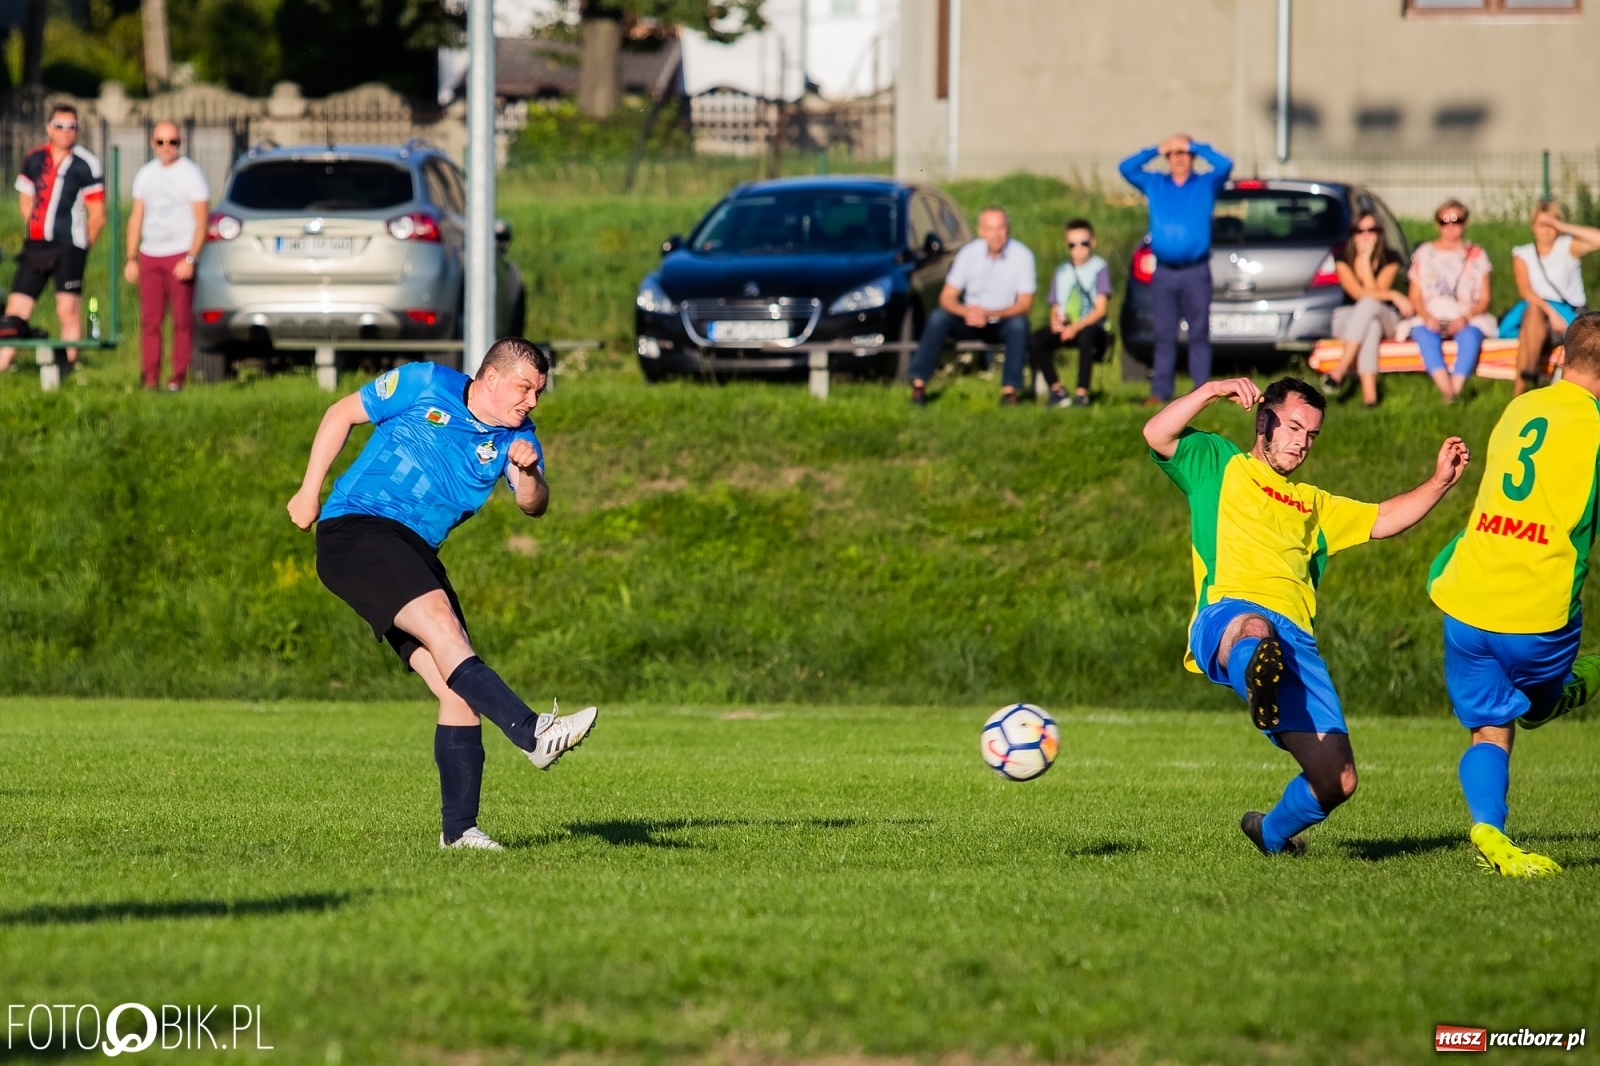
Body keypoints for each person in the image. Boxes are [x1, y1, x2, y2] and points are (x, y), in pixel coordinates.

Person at [287, 339, 599, 851]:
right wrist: (308, 491)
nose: (532, 401)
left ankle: (459, 831)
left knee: (459, 689)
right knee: (442, 623)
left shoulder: (517, 437)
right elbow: (340, 413)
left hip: (413, 550)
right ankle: (533, 733)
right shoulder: (425, 382)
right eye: (524, 388)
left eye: (539, 392)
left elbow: (533, 505)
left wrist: (527, 473)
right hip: (358, 528)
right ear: (491, 378)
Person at [1144, 376, 1469, 856]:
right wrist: (1211, 391)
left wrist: (1440, 481)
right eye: (1294, 428)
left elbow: (1383, 519)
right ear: (1263, 421)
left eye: (1312, 435)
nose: (1302, 442)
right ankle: (1257, 678)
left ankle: (1271, 834)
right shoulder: (1218, 463)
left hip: (1296, 643)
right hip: (1229, 613)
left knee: (1337, 779)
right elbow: (1157, 433)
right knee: (1256, 630)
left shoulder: (1313, 503)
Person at [1427, 311, 1600, 877]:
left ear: (1560, 357)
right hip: (1537, 610)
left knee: (1489, 727)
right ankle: (1553, 696)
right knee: (1539, 704)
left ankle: (1488, 827)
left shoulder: (1519, 407)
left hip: (1468, 596)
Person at [1119, 133, 1233, 405]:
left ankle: (1202, 392)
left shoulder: (1205, 184)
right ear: (1168, 157)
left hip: (1196, 271)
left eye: (1184, 153)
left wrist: (1194, 145)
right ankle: (1160, 392)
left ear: (1192, 157)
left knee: (1199, 333)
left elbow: (1225, 164)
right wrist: (1157, 148)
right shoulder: (1155, 183)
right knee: (1164, 335)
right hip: (1164, 272)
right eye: (1174, 153)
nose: (1179, 158)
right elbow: (1126, 168)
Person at [0, 104, 105, 373]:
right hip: (37, 245)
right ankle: (3, 365)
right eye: (60, 126)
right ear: (49, 128)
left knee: (66, 308)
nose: (66, 132)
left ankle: (69, 367)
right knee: (16, 308)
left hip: (69, 246)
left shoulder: (85, 164)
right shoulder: (35, 158)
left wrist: (83, 246)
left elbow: (97, 214)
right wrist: (35, 227)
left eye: (72, 127)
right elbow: (26, 199)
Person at [907, 206, 1035, 407]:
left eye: (1000, 228)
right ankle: (919, 384)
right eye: (990, 229)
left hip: (1002, 321)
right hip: (970, 320)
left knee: (1019, 325)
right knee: (938, 317)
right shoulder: (968, 253)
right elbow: (947, 297)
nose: (996, 235)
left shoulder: (1022, 256)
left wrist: (993, 313)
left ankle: (1010, 391)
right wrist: (967, 312)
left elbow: (1025, 304)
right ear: (981, 231)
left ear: (1008, 229)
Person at [124, 121, 209, 391]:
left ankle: (177, 378)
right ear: (153, 143)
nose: (166, 147)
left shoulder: (191, 174)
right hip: (150, 254)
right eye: (161, 141)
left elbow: (202, 220)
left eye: (172, 141)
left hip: (179, 254)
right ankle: (150, 378)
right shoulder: (145, 174)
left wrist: (191, 258)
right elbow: (136, 216)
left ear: (180, 143)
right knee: (150, 321)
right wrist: (131, 257)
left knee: (182, 321)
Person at [1399, 200, 1495, 404]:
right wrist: (1426, 316)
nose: (1450, 226)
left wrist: (1466, 317)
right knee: (1424, 335)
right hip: (1431, 311)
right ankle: (1446, 389)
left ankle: (1456, 388)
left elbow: (1485, 298)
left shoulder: (1477, 255)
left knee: (1470, 335)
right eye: (1445, 221)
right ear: (1437, 224)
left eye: (1456, 220)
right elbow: (1415, 296)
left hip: (1466, 312)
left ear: (1465, 222)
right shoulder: (1424, 253)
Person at [1503, 200, 1599, 397]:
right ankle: (1530, 373)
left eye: (1551, 225)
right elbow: (1526, 291)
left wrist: (1562, 227)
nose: (1546, 230)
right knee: (1533, 312)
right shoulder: (1523, 253)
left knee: (1528, 330)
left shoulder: (1567, 247)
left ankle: (1520, 390)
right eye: (1542, 225)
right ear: (1533, 226)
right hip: (1541, 314)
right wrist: (1550, 311)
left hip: (1567, 317)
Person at [1321, 211, 1412, 407]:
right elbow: (1357, 293)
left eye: (1371, 230)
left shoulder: (1391, 258)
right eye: (1359, 230)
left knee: (1369, 306)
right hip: (1350, 317)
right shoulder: (1342, 258)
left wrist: (1365, 261)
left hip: (1384, 315)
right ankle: (1370, 398)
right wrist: (1393, 295)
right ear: (1352, 234)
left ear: (1380, 233)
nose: (1366, 235)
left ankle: (1340, 371)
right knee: (1371, 326)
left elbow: (1372, 293)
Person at [1027, 219, 1111, 408]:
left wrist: (1075, 327)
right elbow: (1055, 305)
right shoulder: (1061, 271)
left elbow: (1100, 310)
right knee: (1036, 339)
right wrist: (1055, 322)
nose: (1078, 249)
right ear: (1067, 246)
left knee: (1086, 337)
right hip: (1067, 326)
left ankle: (1082, 393)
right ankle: (1057, 390)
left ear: (1093, 242)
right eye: (1073, 244)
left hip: (1092, 327)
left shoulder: (1099, 267)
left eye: (1084, 243)